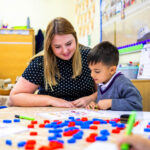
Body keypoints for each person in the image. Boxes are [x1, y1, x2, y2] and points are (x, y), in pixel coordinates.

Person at [9, 17, 96, 107]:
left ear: (75, 38)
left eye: (69, 44)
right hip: (50, 116)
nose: (65, 51)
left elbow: (106, 90)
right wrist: (51, 100)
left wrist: (91, 98)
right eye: (58, 47)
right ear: (49, 46)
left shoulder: (89, 56)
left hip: (84, 116)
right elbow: (13, 98)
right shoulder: (41, 62)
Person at [87, 41, 142, 111]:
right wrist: (95, 105)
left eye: (97, 71)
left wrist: (111, 103)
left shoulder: (122, 83)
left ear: (112, 70)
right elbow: (103, 105)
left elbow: (136, 105)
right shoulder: (102, 82)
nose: (92, 75)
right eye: (90, 70)